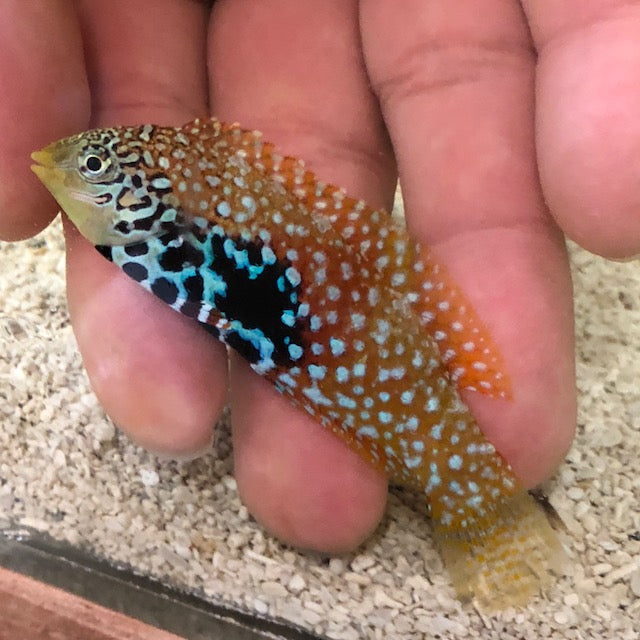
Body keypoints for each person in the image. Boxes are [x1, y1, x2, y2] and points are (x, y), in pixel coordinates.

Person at [1, 0, 635, 553]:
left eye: (93, 163)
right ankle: (475, 497)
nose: (67, 167)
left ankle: (481, 508)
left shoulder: (161, 221)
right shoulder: (153, 222)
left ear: (141, 196)